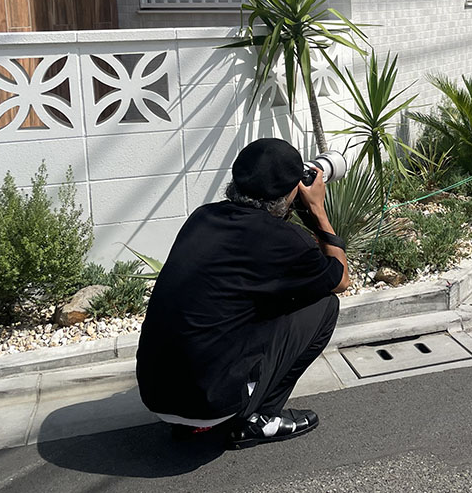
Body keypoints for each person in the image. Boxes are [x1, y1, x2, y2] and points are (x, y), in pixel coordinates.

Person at [136, 138, 350, 449]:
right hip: (211, 406)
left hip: (156, 396)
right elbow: (340, 279)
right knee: (325, 305)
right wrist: (317, 210)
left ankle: (191, 420)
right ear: (292, 191)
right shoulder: (284, 240)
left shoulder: (202, 218)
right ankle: (262, 419)